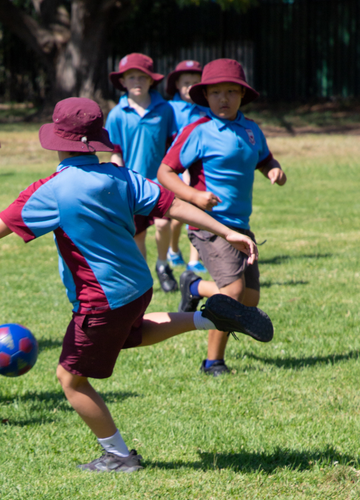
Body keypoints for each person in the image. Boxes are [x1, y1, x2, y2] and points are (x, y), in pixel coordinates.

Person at [0, 97, 274, 471]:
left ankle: (119, 456)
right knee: (133, 333)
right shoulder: (121, 176)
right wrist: (227, 231)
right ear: (96, 142)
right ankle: (212, 318)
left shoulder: (52, 189)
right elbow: (173, 205)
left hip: (100, 298)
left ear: (59, 142)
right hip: (137, 287)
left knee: (71, 380)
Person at [157, 59, 287, 376]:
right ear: (205, 97)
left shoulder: (251, 130)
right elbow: (165, 171)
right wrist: (193, 196)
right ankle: (212, 361)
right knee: (232, 295)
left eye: (231, 91)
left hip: (241, 226)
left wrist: (273, 169)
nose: (224, 98)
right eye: (216, 92)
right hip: (208, 225)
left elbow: (264, 158)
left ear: (243, 95)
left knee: (250, 299)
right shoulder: (198, 131)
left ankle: (194, 286)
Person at [105, 53, 178, 293]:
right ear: (123, 82)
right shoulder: (117, 114)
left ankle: (163, 264)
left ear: (151, 81)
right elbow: (115, 151)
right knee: (137, 235)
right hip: (131, 184)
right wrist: (117, 178)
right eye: (131, 77)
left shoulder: (165, 109)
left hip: (160, 181)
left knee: (163, 225)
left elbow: (172, 146)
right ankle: (142, 276)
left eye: (142, 77)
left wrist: (176, 176)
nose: (137, 81)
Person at [165, 60, 209, 274]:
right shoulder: (169, 109)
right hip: (176, 168)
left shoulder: (206, 109)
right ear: (177, 85)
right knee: (178, 213)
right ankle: (173, 250)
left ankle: (194, 259)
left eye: (195, 82)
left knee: (197, 210)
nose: (190, 87)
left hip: (198, 168)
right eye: (186, 83)